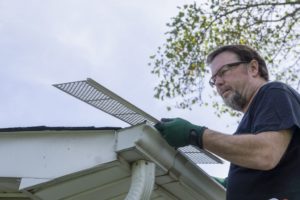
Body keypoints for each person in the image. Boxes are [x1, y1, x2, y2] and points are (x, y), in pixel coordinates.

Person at [154, 45, 300, 200]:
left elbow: (266, 153)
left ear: (253, 68)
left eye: (223, 72)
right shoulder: (250, 125)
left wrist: (195, 134)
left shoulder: (274, 91)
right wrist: (228, 184)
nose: (218, 82)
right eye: (214, 79)